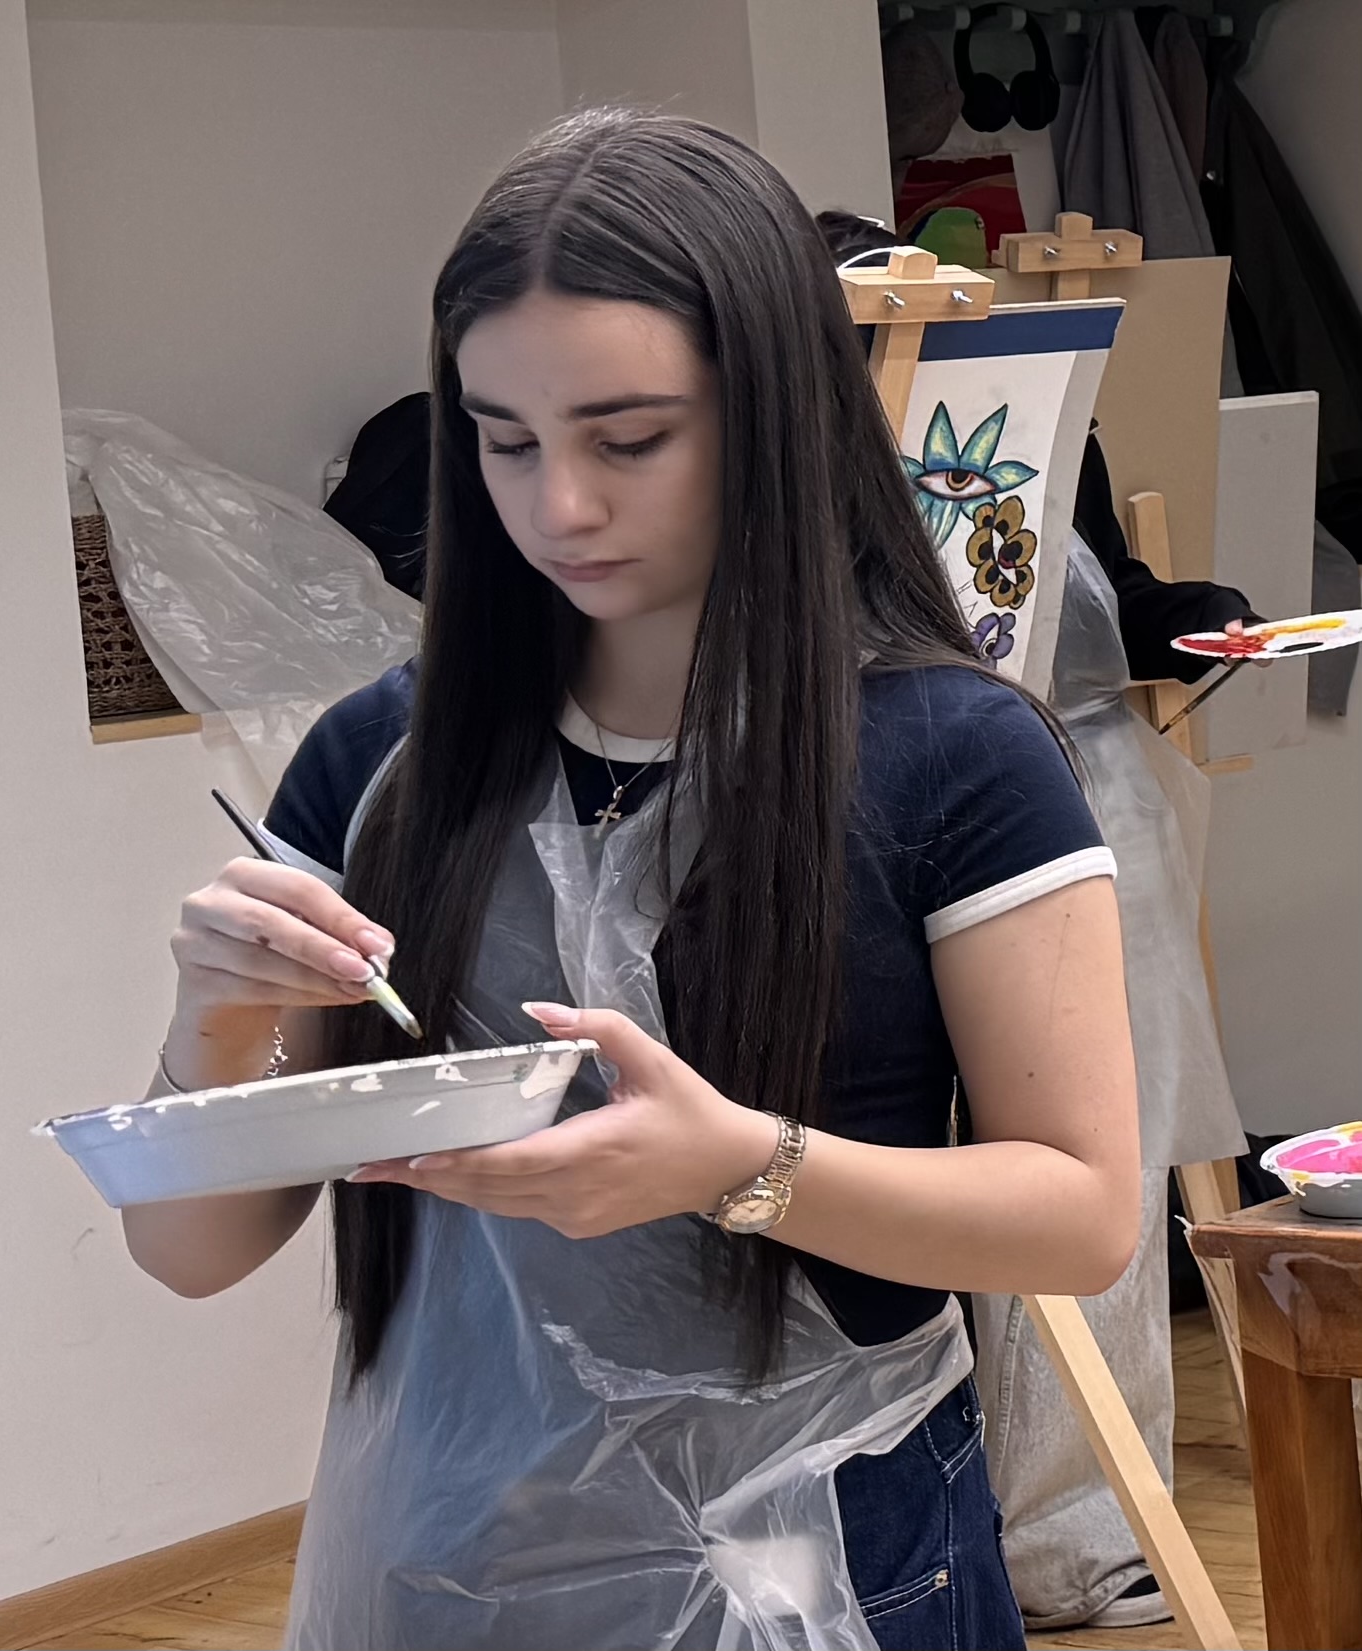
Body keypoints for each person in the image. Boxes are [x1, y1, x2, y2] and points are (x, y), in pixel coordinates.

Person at [121, 112, 1139, 1651]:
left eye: (630, 438)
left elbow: (1083, 1214)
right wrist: (217, 1020)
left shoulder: (954, 758)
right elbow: (188, 1250)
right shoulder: (381, 765)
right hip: (447, 1564)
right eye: (504, 439)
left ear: (773, 413)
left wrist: (738, 1165)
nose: (561, 507)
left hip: (819, 1566)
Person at [818, 209, 1252, 1632]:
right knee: (942, 1176)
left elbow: (1101, 589)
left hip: (1072, 783)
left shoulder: (1025, 397)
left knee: (1094, 1164)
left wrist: (1198, 617)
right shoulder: (785, 453)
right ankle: (980, 1528)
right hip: (878, 803)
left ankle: (1079, 1539)